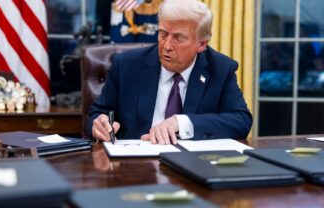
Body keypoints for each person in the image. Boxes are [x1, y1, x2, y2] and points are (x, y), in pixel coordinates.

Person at [89, 0, 252, 145]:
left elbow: (241, 121)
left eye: (178, 38)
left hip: (193, 165)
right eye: (163, 34)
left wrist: (182, 123)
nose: (167, 45)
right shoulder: (126, 66)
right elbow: (97, 113)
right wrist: (99, 125)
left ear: (201, 44)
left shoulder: (220, 69)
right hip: (135, 164)